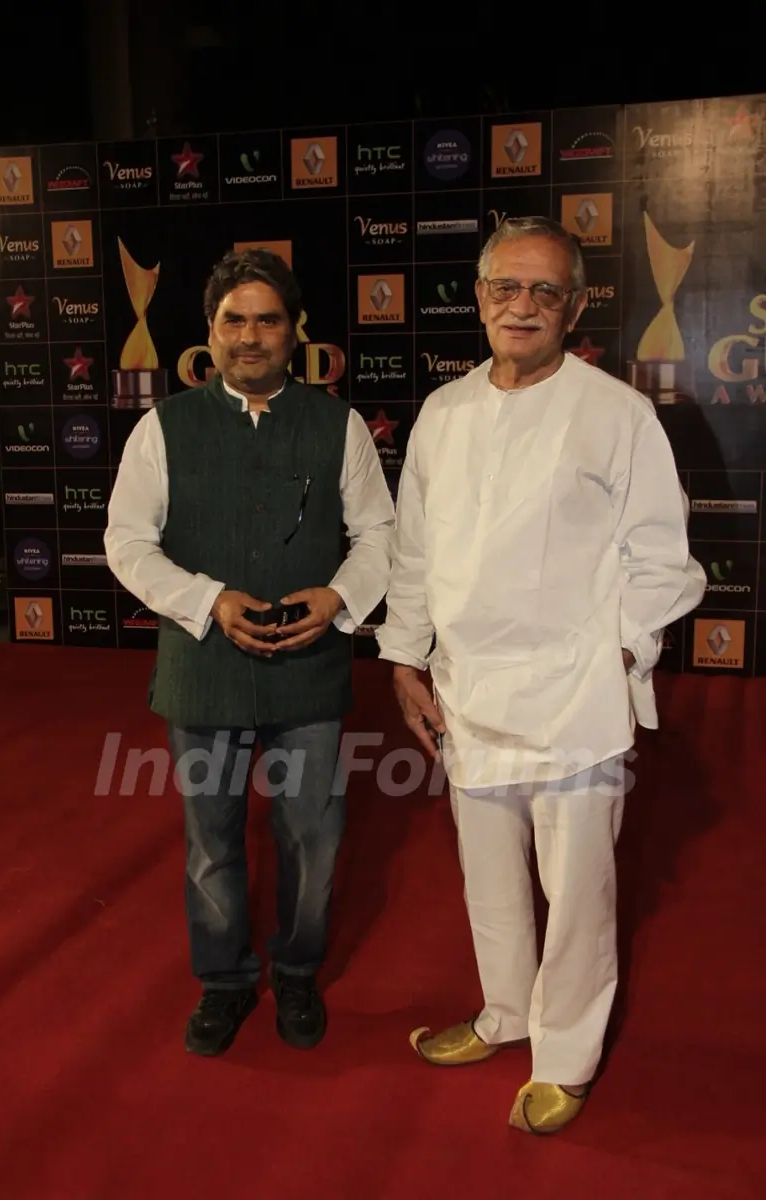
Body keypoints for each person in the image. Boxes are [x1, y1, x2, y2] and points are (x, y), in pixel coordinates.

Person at [376, 216, 706, 1133]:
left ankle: (567, 1054)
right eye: (506, 288)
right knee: (488, 875)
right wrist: (404, 655)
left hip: (575, 694)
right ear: (479, 298)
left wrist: (621, 653)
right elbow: (415, 551)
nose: (523, 306)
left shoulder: (617, 414)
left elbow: (663, 560)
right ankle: (506, 1013)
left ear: (576, 306)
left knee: (579, 891)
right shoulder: (444, 413)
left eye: (544, 292)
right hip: (470, 688)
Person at [105, 247, 394, 1056]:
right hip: (204, 672)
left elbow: (379, 533)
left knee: (314, 836)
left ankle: (297, 975)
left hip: (309, 668)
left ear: (295, 331)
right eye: (234, 320)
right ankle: (225, 984)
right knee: (211, 840)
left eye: (268, 319)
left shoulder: (337, 425)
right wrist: (209, 600)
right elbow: (127, 544)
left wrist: (340, 598)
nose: (251, 335)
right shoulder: (162, 428)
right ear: (210, 332)